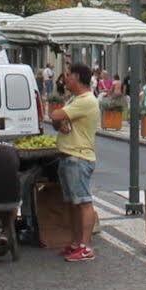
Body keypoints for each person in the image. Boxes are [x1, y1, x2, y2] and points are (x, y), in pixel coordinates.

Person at [46, 63, 100, 262]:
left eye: (68, 75)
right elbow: (55, 120)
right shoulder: (74, 99)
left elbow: (54, 115)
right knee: (73, 204)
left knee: (84, 203)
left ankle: (86, 247)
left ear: (77, 77)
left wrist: (59, 119)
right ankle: (76, 243)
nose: (64, 79)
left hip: (78, 157)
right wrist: (59, 120)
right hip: (69, 156)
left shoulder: (85, 100)